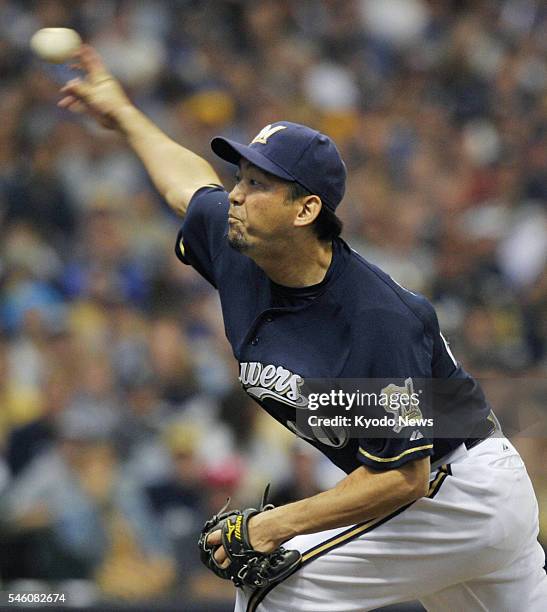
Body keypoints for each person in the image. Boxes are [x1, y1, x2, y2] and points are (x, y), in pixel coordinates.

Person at [58, 46, 547, 611]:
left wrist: (276, 524)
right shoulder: (243, 247)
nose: (236, 194)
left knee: (272, 589)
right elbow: (185, 184)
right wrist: (122, 114)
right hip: (455, 497)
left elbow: (403, 477)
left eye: (258, 184)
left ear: (305, 210)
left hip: (457, 490)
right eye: (240, 177)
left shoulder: (378, 319)